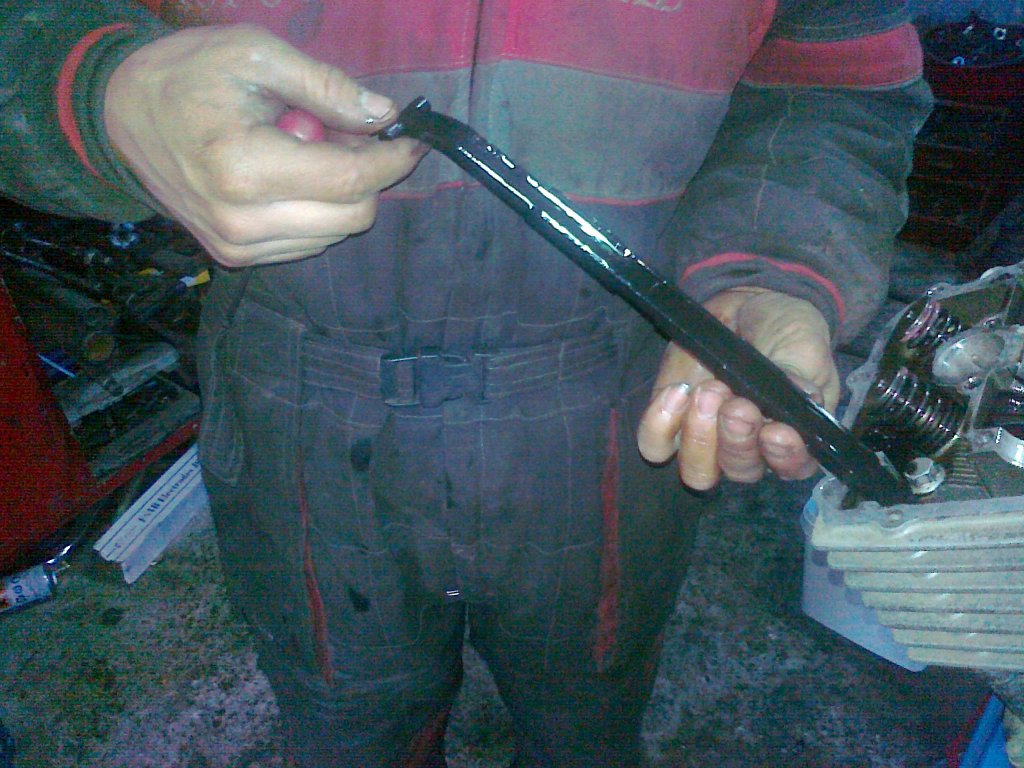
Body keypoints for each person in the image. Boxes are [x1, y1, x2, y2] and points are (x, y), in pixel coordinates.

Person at [0, 0, 932, 765]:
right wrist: (100, 89)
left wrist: (773, 264)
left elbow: (831, 76)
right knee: (350, 726)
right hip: (297, 393)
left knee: (587, 722)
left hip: (618, 402)